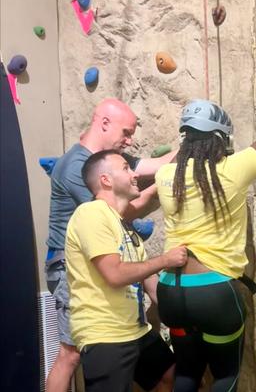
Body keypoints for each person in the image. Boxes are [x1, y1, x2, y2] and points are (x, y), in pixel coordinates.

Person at [154, 60, 256, 391]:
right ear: (221, 141)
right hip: (215, 294)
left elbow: (182, 155)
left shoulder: (164, 177)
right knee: (226, 376)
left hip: (171, 294)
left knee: (186, 373)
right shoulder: (231, 170)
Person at [45, 98, 177, 392]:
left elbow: (154, 165)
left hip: (105, 262)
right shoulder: (80, 171)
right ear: (104, 123)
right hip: (72, 266)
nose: (130, 141)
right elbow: (126, 208)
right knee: (70, 353)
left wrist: (188, 149)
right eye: (127, 132)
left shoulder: (110, 161)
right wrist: (162, 184)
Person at [66, 150, 188, 392]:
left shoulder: (125, 228)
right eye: (125, 168)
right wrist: (165, 260)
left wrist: (183, 313)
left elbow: (150, 284)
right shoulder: (91, 213)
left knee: (170, 375)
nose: (134, 174)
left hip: (135, 330)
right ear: (105, 180)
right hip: (105, 335)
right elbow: (115, 275)